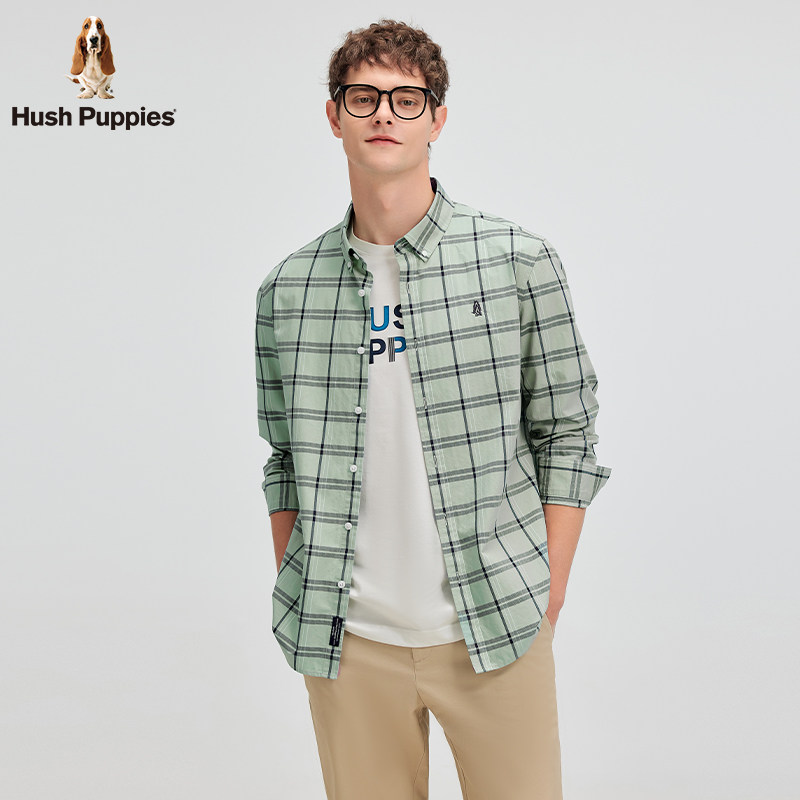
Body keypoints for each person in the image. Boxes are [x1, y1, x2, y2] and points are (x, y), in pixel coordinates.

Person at [255, 18, 612, 800]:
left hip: (495, 623)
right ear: (334, 116)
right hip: (348, 640)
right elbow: (283, 456)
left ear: (437, 119)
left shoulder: (516, 261)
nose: (384, 114)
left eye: (406, 99)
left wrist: (548, 587)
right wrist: (303, 581)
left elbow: (567, 434)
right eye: (363, 97)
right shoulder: (288, 289)